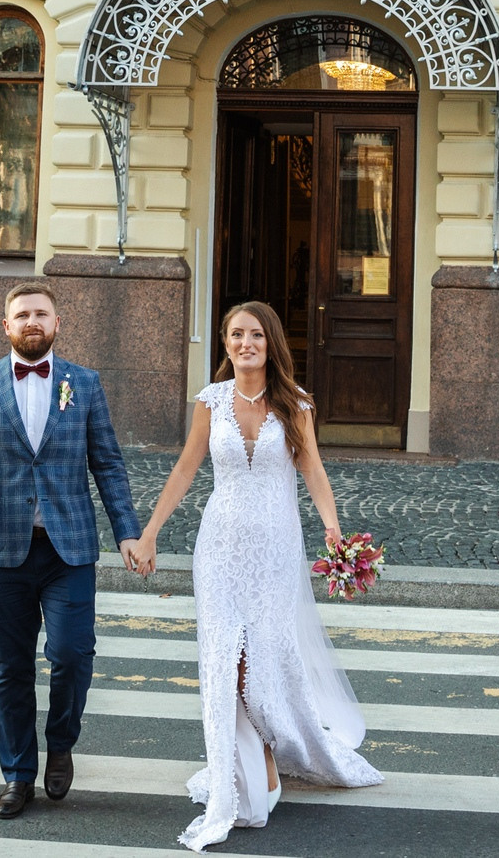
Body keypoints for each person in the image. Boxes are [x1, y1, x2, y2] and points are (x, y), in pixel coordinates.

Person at [132, 300, 382, 850]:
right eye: (236, 335)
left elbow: (312, 467)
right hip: (218, 547)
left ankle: (268, 748)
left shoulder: (295, 404)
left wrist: (334, 534)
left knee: (262, 659)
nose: (246, 344)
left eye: (255, 336)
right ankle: (242, 768)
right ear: (225, 344)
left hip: (273, 548)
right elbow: (185, 468)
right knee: (226, 660)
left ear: (271, 344)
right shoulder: (211, 402)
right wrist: (149, 533)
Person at [0, 284, 145, 820]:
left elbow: (108, 464)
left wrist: (128, 532)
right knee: (11, 668)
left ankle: (62, 741)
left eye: (40, 314)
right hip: (3, 551)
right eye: (21, 315)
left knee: (72, 655)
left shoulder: (84, 384)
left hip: (68, 550)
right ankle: (18, 774)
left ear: (56, 322)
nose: (31, 322)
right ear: (6, 326)